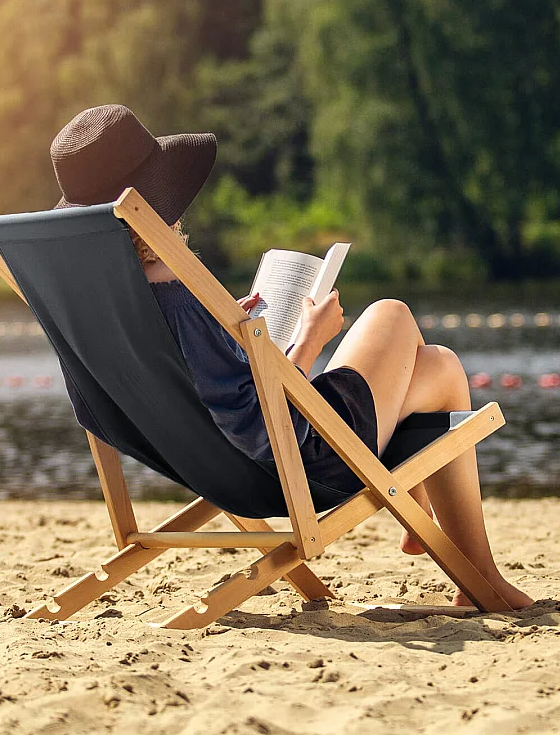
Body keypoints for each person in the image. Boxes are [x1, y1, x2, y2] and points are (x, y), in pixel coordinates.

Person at [48, 104, 532, 610]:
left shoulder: (104, 301)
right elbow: (262, 422)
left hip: (207, 463)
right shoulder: (173, 293)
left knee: (441, 366)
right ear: (150, 204)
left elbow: (181, 389)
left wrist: (221, 335)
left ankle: (463, 565)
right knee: (392, 313)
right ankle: (437, 530)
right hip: (302, 459)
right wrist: (310, 340)